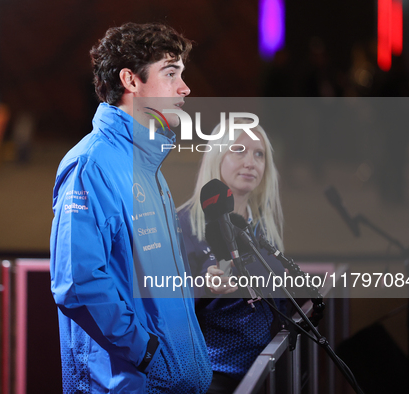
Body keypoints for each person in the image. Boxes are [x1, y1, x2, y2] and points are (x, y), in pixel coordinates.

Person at [50, 22, 212, 394]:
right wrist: (149, 355)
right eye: (170, 74)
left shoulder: (146, 162)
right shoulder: (91, 165)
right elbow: (78, 285)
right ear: (131, 80)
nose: (184, 88)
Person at [178, 119, 287, 393]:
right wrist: (205, 284)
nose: (251, 162)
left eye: (258, 154)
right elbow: (164, 303)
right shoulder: (183, 225)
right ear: (217, 156)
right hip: (214, 374)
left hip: (269, 366)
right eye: (238, 150)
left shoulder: (263, 227)